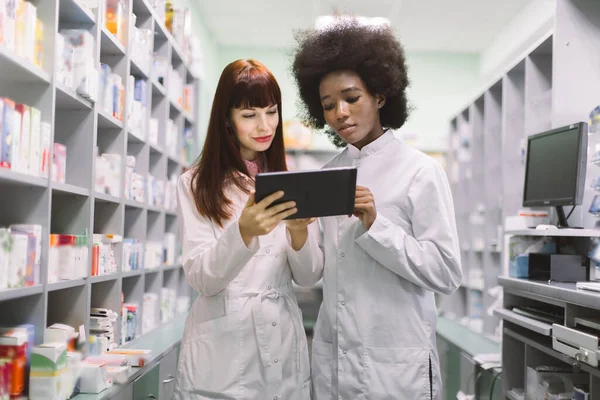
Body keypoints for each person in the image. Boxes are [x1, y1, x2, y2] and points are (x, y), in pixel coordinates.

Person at [291, 17, 463, 400]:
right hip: (335, 361)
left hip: (395, 366)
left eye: (352, 98)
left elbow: (447, 274)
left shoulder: (420, 171)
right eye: (328, 105)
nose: (340, 113)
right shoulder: (327, 175)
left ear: (380, 95)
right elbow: (315, 272)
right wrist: (299, 232)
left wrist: (376, 226)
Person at [173, 59, 323, 400]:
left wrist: (299, 233)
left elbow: (309, 275)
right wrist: (243, 232)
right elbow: (201, 278)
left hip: (281, 337)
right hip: (223, 350)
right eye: (249, 114)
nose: (264, 125)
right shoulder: (195, 184)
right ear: (227, 118)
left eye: (271, 112)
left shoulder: (293, 180)